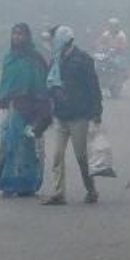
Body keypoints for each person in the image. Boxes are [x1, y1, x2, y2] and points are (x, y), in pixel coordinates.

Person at [42, 25, 103, 206]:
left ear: (63, 39)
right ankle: (59, 193)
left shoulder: (83, 60)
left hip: (79, 116)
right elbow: (50, 84)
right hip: (61, 115)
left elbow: (93, 87)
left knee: (81, 157)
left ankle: (91, 189)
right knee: (57, 156)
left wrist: (96, 112)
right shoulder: (56, 59)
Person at [0, 23, 52, 197]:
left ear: (28, 37)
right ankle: (8, 182)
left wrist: (41, 113)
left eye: (21, 34)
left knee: (28, 146)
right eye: (14, 34)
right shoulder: (9, 58)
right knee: (9, 144)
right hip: (13, 107)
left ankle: (28, 183)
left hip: (31, 109)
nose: (17, 37)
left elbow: (42, 85)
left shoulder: (35, 59)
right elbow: (4, 84)